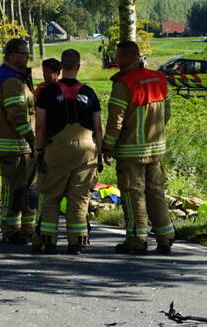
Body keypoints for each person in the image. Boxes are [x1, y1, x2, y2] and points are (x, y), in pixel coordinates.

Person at [102, 40, 174, 254]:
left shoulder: (124, 84)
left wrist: (107, 146)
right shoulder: (159, 79)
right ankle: (165, 237)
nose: (116, 61)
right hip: (157, 149)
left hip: (131, 152)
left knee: (134, 196)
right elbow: (166, 113)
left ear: (125, 57)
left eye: (118, 56)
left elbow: (116, 121)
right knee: (156, 192)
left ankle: (136, 240)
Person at [33, 49, 101, 254]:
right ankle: (77, 241)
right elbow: (98, 127)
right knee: (79, 198)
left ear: (61, 67)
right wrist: (100, 153)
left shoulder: (47, 92)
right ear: (78, 67)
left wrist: (39, 150)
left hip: (57, 149)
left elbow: (40, 126)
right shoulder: (89, 93)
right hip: (86, 149)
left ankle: (48, 240)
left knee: (51, 195)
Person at [0, 38, 37, 244]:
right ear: (12, 55)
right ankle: (11, 231)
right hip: (14, 146)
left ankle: (27, 230)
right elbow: (17, 115)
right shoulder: (11, 80)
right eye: (25, 54)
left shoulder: (16, 77)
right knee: (13, 190)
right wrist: (32, 138)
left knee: (27, 191)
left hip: (22, 147)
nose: (27, 58)